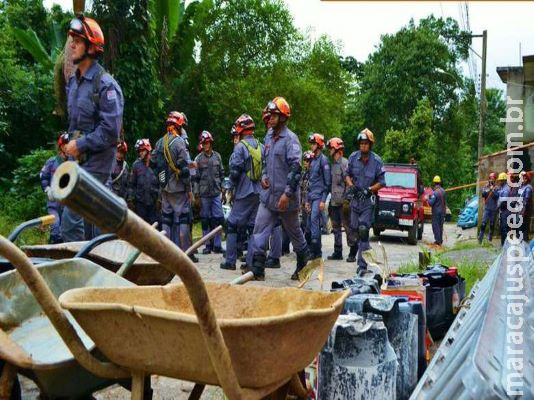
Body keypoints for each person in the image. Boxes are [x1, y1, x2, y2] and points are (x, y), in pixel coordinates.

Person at [62, 15, 124, 241]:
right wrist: (67, 141)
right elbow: (76, 124)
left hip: (96, 168)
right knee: (92, 233)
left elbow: (110, 131)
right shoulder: (73, 83)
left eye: (77, 40)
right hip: (77, 165)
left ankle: (79, 273)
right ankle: (91, 269)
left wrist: (80, 144)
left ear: (91, 46)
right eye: (72, 40)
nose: (71, 44)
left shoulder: (106, 85)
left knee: (70, 224)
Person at [249, 97, 311, 281]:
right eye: (270, 115)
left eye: (274, 115)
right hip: (268, 197)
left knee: (294, 232)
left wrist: (287, 194)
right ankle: (258, 270)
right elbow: (266, 161)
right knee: (259, 229)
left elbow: (296, 168)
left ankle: (303, 262)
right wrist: (265, 177)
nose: (270, 118)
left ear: (283, 117)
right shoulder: (268, 135)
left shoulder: (291, 140)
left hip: (286, 199)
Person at [221, 114, 261, 270]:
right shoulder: (260, 145)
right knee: (252, 228)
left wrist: (229, 188)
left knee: (231, 224)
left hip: (244, 192)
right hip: (258, 192)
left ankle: (230, 262)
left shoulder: (240, 147)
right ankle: (250, 262)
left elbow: (235, 172)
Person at [153, 111, 195, 260]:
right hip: (178, 188)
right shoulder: (179, 143)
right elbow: (184, 170)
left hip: (164, 188)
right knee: (183, 218)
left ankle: (167, 253)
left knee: (167, 219)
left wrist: (162, 180)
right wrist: (189, 190)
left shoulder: (159, 142)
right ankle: (186, 254)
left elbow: (153, 163)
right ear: (179, 125)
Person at [345, 128, 385, 273]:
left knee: (363, 231)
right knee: (355, 231)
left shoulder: (377, 161)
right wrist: (351, 186)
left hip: (368, 201)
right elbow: (347, 175)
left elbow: (382, 182)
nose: (363, 146)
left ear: (370, 145)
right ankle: (368, 253)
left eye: (366, 144)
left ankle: (362, 266)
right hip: (355, 200)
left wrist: (369, 190)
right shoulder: (352, 157)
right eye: (361, 143)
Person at [194, 131, 225, 254]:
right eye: (204, 143)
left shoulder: (217, 156)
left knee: (218, 219)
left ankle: (217, 245)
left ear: (210, 143)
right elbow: (195, 179)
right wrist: (196, 195)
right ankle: (207, 245)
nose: (206, 145)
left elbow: (222, 174)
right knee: (205, 220)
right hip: (204, 195)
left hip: (216, 193)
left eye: (207, 143)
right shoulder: (198, 159)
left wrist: (223, 188)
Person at [305, 133, 331, 259]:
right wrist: (307, 200)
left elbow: (327, 183)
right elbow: (311, 181)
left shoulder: (323, 160)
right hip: (311, 196)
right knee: (310, 223)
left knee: (315, 220)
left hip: (319, 196)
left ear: (319, 145)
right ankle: (316, 251)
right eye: (311, 143)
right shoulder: (313, 160)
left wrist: (323, 200)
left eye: (313, 143)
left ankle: (315, 252)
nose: (311, 146)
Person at [326, 137, 352, 260]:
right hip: (334, 202)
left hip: (344, 202)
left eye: (331, 148)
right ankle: (338, 252)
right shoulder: (333, 165)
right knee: (335, 227)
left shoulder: (345, 163)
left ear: (337, 149)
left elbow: (349, 182)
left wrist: (347, 199)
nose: (329, 151)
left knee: (347, 227)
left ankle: (353, 251)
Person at [40, 132, 69, 244]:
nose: (68, 147)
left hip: (68, 204)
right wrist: (47, 189)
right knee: (56, 229)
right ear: (61, 146)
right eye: (66, 144)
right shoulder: (52, 162)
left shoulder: (73, 163)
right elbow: (43, 177)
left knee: (66, 232)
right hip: (54, 204)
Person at [127, 139, 159, 224]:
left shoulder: (156, 164)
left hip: (154, 204)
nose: (140, 153)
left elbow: (162, 183)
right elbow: (131, 184)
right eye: (139, 151)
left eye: (142, 150)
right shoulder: (136, 165)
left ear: (148, 149)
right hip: (140, 204)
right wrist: (130, 199)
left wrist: (160, 199)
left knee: (155, 228)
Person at [478, 172, 499, 243]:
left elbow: (496, 196)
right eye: (490, 178)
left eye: (493, 178)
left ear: (495, 179)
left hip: (493, 209)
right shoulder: (486, 186)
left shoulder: (497, 188)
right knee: (483, 223)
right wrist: (489, 189)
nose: (491, 180)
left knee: (492, 224)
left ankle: (490, 238)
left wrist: (493, 190)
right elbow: (483, 194)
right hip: (487, 208)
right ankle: (480, 238)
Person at [498, 172, 517, 246]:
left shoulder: (506, 189)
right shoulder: (502, 188)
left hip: (506, 210)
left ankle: (505, 245)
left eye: (500, 180)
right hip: (503, 210)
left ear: (504, 181)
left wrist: (499, 206)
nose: (499, 182)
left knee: (504, 229)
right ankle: (503, 244)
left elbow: (504, 202)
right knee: (503, 228)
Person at [428, 175, 447, 246]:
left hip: (436, 212)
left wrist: (428, 198)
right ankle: (440, 240)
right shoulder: (443, 191)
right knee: (440, 226)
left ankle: (438, 241)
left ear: (434, 183)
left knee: (435, 226)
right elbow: (445, 203)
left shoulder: (435, 193)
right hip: (442, 212)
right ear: (439, 182)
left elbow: (430, 203)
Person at [518, 171, 532, 241]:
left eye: (525, 178)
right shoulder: (522, 187)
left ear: (528, 179)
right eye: (523, 178)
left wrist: (523, 211)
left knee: (524, 228)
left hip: (525, 211)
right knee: (520, 228)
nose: (523, 180)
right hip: (520, 210)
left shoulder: (528, 188)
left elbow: (526, 200)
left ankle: (525, 243)